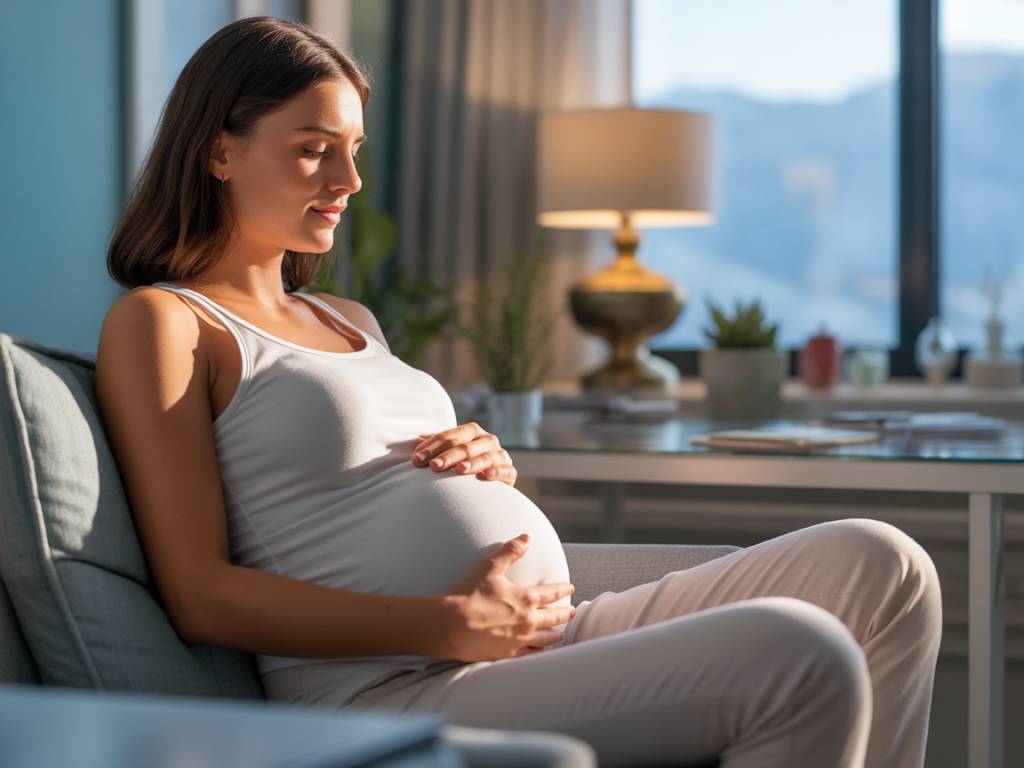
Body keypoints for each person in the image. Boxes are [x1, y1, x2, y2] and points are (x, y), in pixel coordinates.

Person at [96, 16, 942, 768]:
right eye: (315, 147)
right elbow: (199, 592)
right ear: (219, 151)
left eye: (355, 149)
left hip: (539, 631)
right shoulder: (166, 324)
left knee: (885, 563)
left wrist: (481, 458)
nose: (349, 180)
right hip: (390, 684)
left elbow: (357, 480)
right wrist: (446, 626)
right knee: (797, 654)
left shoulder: (346, 315)